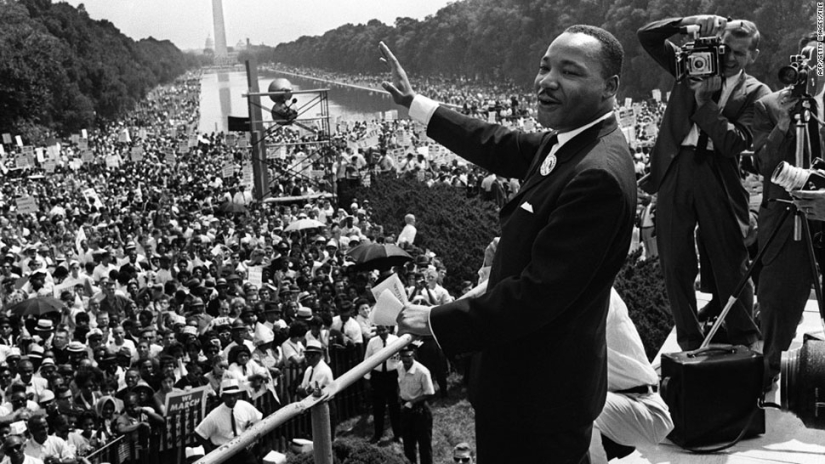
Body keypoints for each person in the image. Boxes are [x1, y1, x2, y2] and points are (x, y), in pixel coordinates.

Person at [382, 23, 637, 462]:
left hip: (541, 397)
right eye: (544, 67)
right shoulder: (571, 142)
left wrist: (437, 320)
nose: (547, 81)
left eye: (570, 72)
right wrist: (415, 105)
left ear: (609, 87)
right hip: (528, 385)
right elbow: (496, 143)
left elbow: (537, 297)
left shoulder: (597, 173)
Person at [637, 15, 769, 351]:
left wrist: (704, 104)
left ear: (752, 56)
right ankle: (689, 340)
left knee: (730, 258)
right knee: (674, 259)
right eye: (725, 48)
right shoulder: (691, 64)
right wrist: (686, 22)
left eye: (739, 53)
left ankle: (745, 338)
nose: (728, 57)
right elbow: (648, 37)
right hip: (675, 167)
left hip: (718, 173)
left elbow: (734, 143)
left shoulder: (757, 93)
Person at [751, 31, 825, 391]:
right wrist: (783, 125)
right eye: (807, 58)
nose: (812, 66)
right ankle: (768, 373)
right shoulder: (769, 105)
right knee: (778, 302)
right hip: (783, 224)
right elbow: (764, 164)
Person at [195, 379, 261, 464]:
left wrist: (253, 438)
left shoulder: (245, 406)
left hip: (243, 449)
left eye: (234, 395)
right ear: (222, 396)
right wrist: (211, 453)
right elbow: (199, 434)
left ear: (238, 395)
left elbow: (258, 419)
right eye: (228, 396)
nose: (232, 399)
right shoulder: (214, 415)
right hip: (225, 454)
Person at [397, 345, 434, 464]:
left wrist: (412, 402)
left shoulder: (422, 372)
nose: (405, 360)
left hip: (420, 411)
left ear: (413, 355)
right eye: (402, 356)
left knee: (424, 445)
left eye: (408, 356)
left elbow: (429, 393)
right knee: (408, 444)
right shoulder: (399, 367)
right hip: (406, 410)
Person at [363, 325, 401, 443]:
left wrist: (400, 379)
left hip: (392, 376)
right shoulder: (372, 342)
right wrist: (367, 378)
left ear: (388, 329)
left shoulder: (396, 340)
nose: (382, 332)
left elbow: (400, 361)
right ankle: (377, 434)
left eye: (384, 329)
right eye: (379, 330)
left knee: (395, 407)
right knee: (378, 407)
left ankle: (398, 434)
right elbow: (367, 360)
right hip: (377, 377)